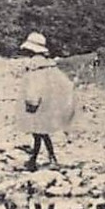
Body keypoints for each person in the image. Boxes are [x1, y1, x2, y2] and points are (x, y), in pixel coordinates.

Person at [18, 31, 76, 181]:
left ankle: (48, 158)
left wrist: (31, 101)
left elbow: (33, 85)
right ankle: (37, 159)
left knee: (39, 132)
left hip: (36, 101)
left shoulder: (34, 65)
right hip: (47, 101)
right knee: (41, 132)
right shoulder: (49, 64)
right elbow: (60, 83)